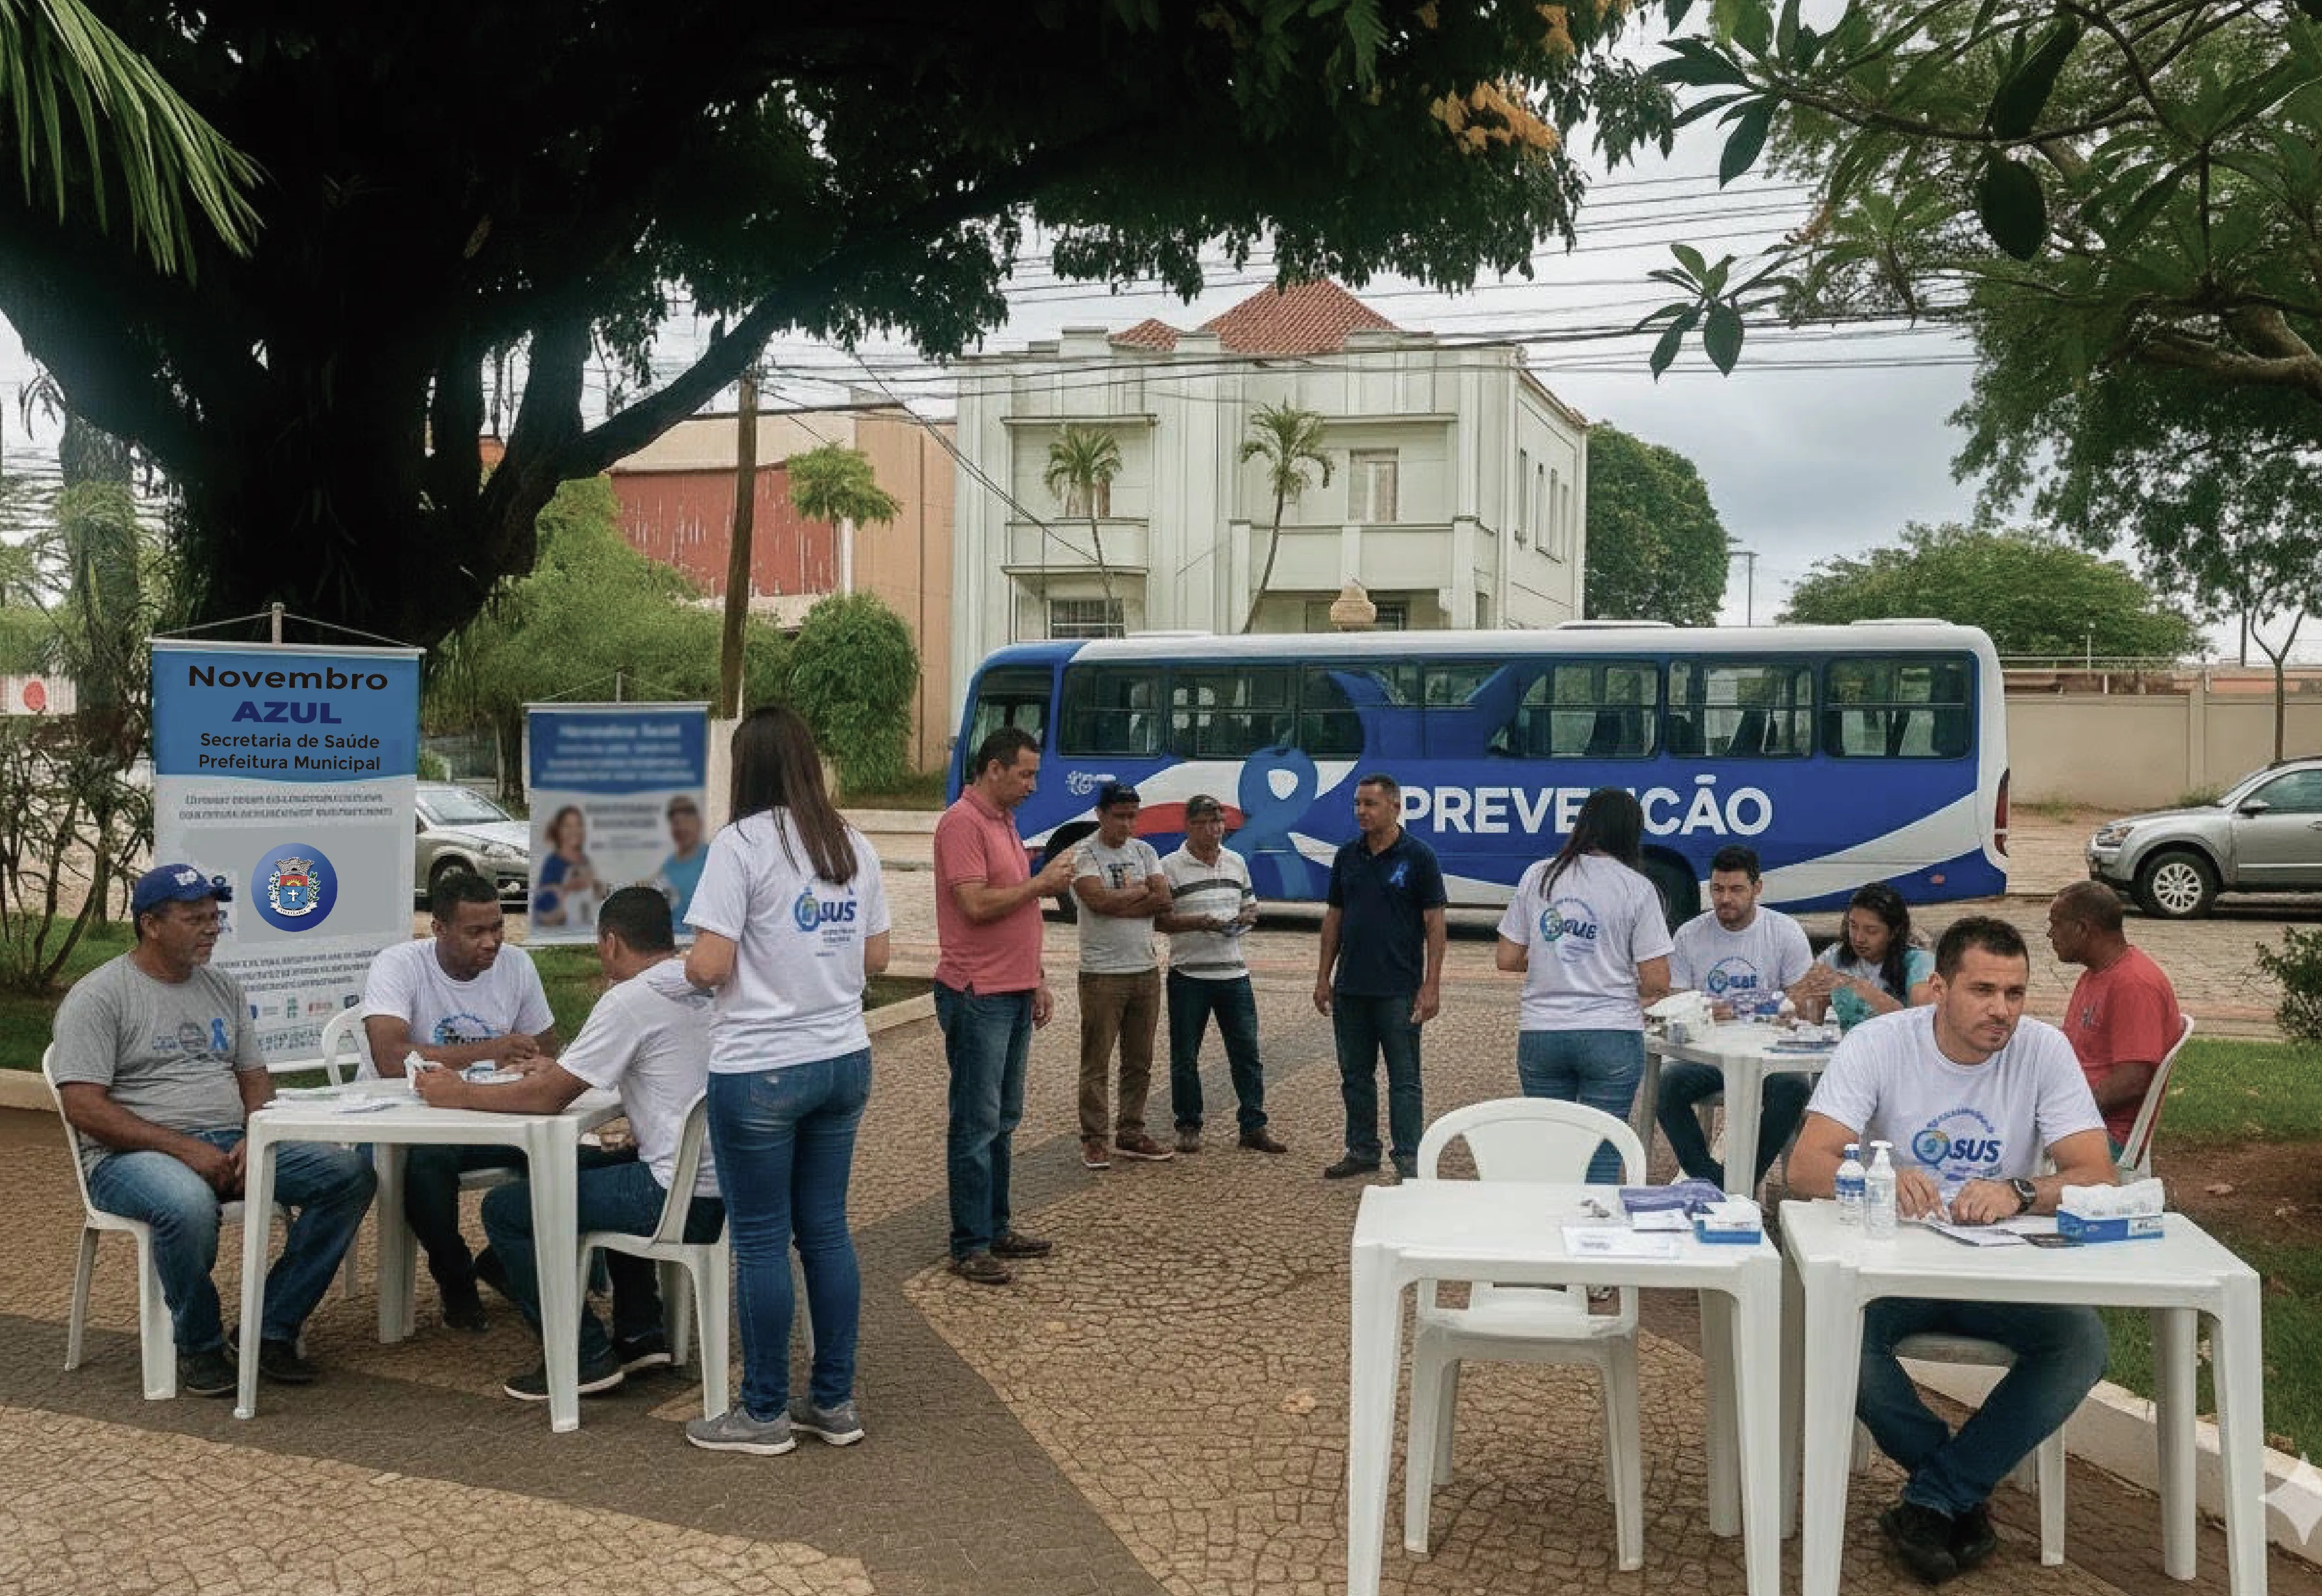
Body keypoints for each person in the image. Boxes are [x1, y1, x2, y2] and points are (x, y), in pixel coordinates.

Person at [1790, 915, 2116, 1583]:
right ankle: (1954, 1488)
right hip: (1891, 1267)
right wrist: (1879, 1179)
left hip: (1996, 1265)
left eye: (2015, 993)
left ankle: (1935, 1495)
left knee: (2079, 1342)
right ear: (1938, 988)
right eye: (1983, 990)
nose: (2002, 1010)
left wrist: (2020, 1190)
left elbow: (2095, 1173)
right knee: (1833, 1334)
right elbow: (1806, 1166)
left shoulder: (2042, 1050)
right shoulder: (1879, 1043)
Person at [49, 864, 376, 1395]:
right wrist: (185, 1149)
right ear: (151, 924)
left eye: (214, 916)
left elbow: (255, 1077)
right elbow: (83, 1106)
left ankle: (269, 1327)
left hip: (228, 1141)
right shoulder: (100, 995)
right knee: (187, 1204)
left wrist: (256, 1132)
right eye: (195, 918)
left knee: (348, 1173)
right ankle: (198, 1345)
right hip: (128, 1157)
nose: (211, 928)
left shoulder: (222, 987)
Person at [415, 886, 724, 1401]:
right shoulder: (697, 983)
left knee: (507, 1210)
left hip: (677, 1198)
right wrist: (558, 1070)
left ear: (611, 942)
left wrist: (458, 1092)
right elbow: (633, 1066)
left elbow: (546, 1099)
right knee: (608, 1166)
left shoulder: (629, 999)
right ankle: (641, 1331)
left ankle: (582, 1355)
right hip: (724, 1186)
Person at [680, 705, 890, 1454]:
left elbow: (709, 965)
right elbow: (876, 958)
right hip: (842, 1059)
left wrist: (689, 966)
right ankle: (832, 1400)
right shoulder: (852, 843)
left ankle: (764, 1411)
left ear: (747, 768)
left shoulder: (739, 845)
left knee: (762, 1240)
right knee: (825, 1231)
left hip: (761, 1069)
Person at [361, 869, 560, 1331]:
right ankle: (455, 1275)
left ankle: (506, 1259)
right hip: (411, 1123)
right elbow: (390, 1059)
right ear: (438, 928)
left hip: (491, 1115)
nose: (491, 942)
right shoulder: (399, 964)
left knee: (568, 1153)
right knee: (425, 1164)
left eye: (497, 927)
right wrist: (491, 1051)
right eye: (475, 932)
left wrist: (531, 1062)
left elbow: (547, 1048)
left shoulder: (517, 965)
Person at [932, 726, 1077, 1284]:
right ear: (994, 768)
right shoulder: (961, 824)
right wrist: (1040, 885)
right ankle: (969, 1243)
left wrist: (1035, 977)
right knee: (976, 1122)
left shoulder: (1005, 821)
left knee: (1004, 1119)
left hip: (1012, 989)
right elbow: (975, 903)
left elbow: (1017, 914)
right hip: (978, 993)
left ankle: (995, 1226)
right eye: (1025, 774)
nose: (1032, 785)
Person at [1494, 789, 1673, 1183]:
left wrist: (1554, 959)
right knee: (1601, 1155)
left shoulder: (1538, 875)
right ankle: (1595, 1219)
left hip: (1542, 1033)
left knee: (1551, 1153)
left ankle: (1549, 1220)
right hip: (1610, 1034)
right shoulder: (1637, 887)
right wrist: (1612, 971)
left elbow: (1506, 957)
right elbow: (1657, 980)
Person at [1653, 842, 1816, 1192]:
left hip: (1769, 1055)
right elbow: (1674, 1002)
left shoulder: (1784, 932)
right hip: (1706, 1054)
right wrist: (1705, 1010)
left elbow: (1803, 1003)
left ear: (1757, 888)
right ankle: (1715, 1180)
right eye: (1717, 889)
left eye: (1736, 889)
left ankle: (1738, 1181)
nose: (1725, 899)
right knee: (1665, 1090)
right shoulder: (1689, 934)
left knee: (1794, 1089)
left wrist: (1758, 1009)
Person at [1314, 772, 1447, 1181]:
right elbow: (1334, 917)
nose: (1361, 811)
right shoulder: (1347, 856)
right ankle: (1361, 1150)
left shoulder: (1419, 857)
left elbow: (1435, 924)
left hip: (1398, 989)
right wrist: (1323, 977)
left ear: (1395, 807)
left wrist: (1431, 984)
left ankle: (1408, 1156)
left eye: (1370, 804)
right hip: (1351, 987)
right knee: (1355, 1076)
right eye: (1357, 804)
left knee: (1404, 1079)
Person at [1157, 793, 1286, 1156]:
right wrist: (1199, 922)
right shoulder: (1169, 867)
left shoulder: (1236, 861)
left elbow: (1250, 906)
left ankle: (1253, 1124)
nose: (1213, 830)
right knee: (1185, 1055)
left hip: (1233, 972)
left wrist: (1245, 919)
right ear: (1188, 825)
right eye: (1204, 823)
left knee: (1247, 1053)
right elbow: (1161, 920)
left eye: (1218, 822)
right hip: (1189, 974)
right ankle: (1188, 1124)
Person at [1072, 781, 1174, 1170]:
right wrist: (1139, 892)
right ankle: (1094, 1138)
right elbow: (1096, 901)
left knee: (1139, 1059)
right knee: (1096, 1061)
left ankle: (1131, 1130)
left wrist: (1123, 900)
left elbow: (1164, 899)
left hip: (1144, 969)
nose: (1127, 825)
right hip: (1102, 973)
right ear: (1101, 814)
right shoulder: (1085, 855)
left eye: (1133, 817)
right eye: (1119, 817)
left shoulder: (1145, 851)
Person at [2047, 880, 2184, 1155]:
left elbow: (2132, 1081)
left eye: (2056, 924)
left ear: (2082, 929)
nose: (2050, 934)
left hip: (2104, 1136)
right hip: (2077, 1120)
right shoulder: (2095, 974)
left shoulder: (2134, 984)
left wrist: (2066, 1117)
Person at [1794, 882, 1936, 1031]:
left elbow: (1922, 1021)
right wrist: (1807, 1002)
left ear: (1894, 932)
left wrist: (1858, 987)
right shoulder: (1835, 958)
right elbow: (1813, 1019)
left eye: (1871, 931)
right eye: (1853, 926)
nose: (1859, 938)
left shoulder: (1919, 963)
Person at [532, 804, 598, 928]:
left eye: (578, 825)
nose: (575, 830)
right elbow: (542, 914)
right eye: (568, 826)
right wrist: (567, 888)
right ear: (559, 831)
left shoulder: (586, 860)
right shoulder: (552, 864)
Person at [655, 793, 709, 920]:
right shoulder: (668, 866)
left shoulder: (713, 858)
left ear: (699, 824)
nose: (682, 829)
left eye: (687, 823)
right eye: (676, 823)